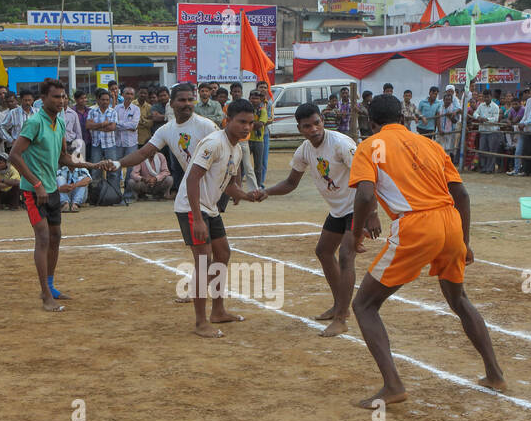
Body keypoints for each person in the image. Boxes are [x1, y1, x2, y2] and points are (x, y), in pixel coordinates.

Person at [349, 93, 505, 408]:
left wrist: (355, 236)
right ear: (404, 117)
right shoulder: (431, 144)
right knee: (459, 299)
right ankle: (495, 373)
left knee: (364, 305)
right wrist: (464, 239)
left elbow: (365, 196)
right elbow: (461, 193)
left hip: (416, 225)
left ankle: (393, 385)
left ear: (371, 121)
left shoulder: (369, 146)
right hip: (449, 221)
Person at [259, 102, 381, 337]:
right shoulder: (304, 150)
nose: (314, 129)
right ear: (299, 128)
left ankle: (342, 317)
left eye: (317, 123)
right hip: (338, 209)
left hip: (357, 207)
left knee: (346, 256)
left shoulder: (341, 144)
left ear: (322, 121)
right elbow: (291, 183)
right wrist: (267, 192)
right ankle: (338, 304)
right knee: (323, 251)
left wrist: (372, 214)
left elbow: (368, 178)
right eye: (307, 126)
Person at [7, 78, 105, 311]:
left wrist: (89, 165)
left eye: (63, 97)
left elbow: (63, 157)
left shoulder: (59, 122)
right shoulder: (34, 122)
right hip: (35, 190)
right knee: (43, 238)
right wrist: (37, 184)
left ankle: (50, 287)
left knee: (56, 236)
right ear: (43, 99)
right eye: (56, 96)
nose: (61, 101)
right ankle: (45, 294)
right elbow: (14, 155)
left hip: (50, 188)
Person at [172, 98, 263, 337]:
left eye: (250, 123)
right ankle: (201, 322)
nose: (246, 127)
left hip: (209, 207)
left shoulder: (236, 148)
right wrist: (197, 218)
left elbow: (228, 186)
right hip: (192, 207)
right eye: (241, 122)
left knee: (222, 254)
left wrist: (245, 196)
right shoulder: (213, 143)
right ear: (228, 121)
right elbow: (192, 178)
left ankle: (218, 311)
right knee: (204, 260)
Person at [117, 83, 217, 208]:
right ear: (172, 104)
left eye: (190, 100)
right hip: (192, 186)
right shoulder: (166, 130)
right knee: (183, 211)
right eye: (182, 100)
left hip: (213, 187)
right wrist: (117, 163)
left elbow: (228, 153)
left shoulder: (206, 125)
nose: (187, 103)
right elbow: (142, 153)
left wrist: (232, 185)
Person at [473, 89, 502, 174]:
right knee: (482, 150)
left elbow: (496, 119)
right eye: (484, 97)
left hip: (492, 131)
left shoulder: (495, 107)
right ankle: (484, 167)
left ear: (491, 97)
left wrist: (486, 119)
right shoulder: (481, 106)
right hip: (483, 131)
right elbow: (475, 113)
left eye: (487, 97)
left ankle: (490, 168)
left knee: (491, 151)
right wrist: (478, 117)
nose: (486, 98)